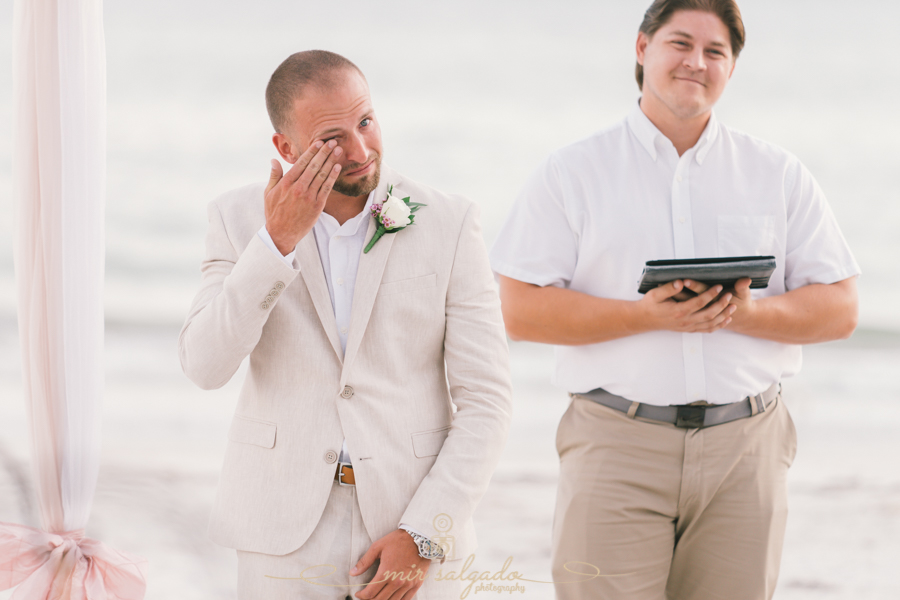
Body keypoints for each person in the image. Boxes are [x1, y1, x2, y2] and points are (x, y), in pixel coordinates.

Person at [489, 1, 859, 599]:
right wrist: (643, 317)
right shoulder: (573, 172)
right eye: (680, 43)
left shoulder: (778, 173)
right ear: (642, 49)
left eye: (715, 52)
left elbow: (841, 309)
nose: (696, 62)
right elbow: (518, 310)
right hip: (616, 443)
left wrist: (747, 312)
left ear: (732, 69)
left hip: (748, 448)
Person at [179, 50, 512, 600]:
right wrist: (274, 244)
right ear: (286, 148)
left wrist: (425, 533)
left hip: (410, 517)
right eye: (333, 137)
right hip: (279, 531)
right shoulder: (236, 220)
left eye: (366, 121)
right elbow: (205, 366)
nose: (360, 151)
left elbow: (488, 400)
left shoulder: (450, 222)